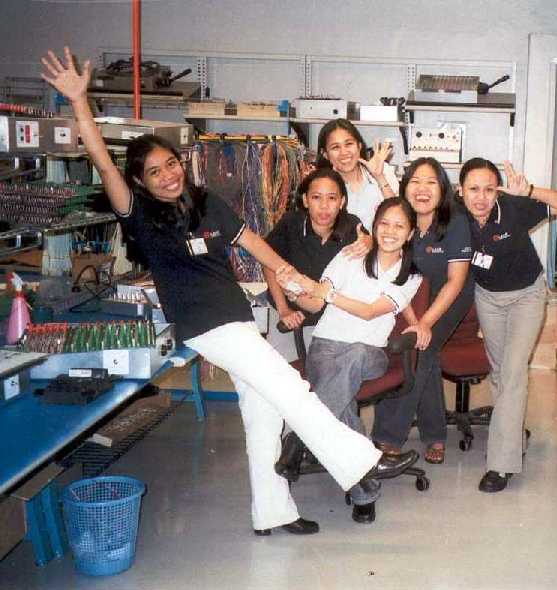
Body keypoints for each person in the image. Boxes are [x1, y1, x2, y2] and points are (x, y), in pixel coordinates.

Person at [40, 47, 418, 536]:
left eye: (171, 164)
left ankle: (272, 512)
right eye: (154, 171)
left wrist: (289, 274)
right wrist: (78, 102)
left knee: (262, 413)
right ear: (139, 181)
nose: (168, 175)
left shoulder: (205, 201)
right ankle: (361, 462)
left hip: (236, 315)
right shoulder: (139, 212)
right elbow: (103, 163)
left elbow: (253, 242)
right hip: (204, 322)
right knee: (291, 389)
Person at [284, 197, 422, 523]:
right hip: (325, 348)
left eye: (399, 226)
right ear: (374, 226)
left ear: (410, 233)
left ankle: (298, 438)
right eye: (384, 223)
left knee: (355, 356)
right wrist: (296, 293)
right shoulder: (349, 256)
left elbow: (370, 312)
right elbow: (317, 302)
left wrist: (327, 293)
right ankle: (365, 491)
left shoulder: (410, 276)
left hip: (370, 354)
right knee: (343, 403)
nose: (390, 231)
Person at [458, 158, 557, 493]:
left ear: (498, 191)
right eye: (473, 189)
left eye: (489, 189)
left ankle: (501, 463)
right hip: (488, 297)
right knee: (500, 372)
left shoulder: (513, 206)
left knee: (512, 372)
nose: (481, 197)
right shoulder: (455, 216)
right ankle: (512, 433)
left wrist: (531, 191)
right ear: (460, 191)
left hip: (526, 295)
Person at [371, 157, 473, 465]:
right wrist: (380, 178)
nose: (422, 189)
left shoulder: (455, 221)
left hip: (449, 297)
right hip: (413, 295)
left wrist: (425, 323)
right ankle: (435, 434)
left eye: (430, 182)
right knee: (409, 350)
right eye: (415, 182)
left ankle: (388, 437)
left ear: (442, 189)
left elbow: (456, 281)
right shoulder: (405, 219)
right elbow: (389, 216)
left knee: (419, 348)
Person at [261, 168, 369, 332]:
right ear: (305, 200)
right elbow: (268, 261)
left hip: (333, 317)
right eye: (316, 197)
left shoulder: (352, 226)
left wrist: (370, 242)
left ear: (342, 202)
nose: (324, 206)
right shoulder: (291, 223)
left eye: (332, 198)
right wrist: (283, 309)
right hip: (287, 313)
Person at [315, 118, 397, 229]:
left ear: (359, 146)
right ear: (325, 154)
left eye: (349, 144)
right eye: (335, 147)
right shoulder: (323, 186)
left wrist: (379, 177)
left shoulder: (384, 171)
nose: (344, 152)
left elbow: (399, 217)